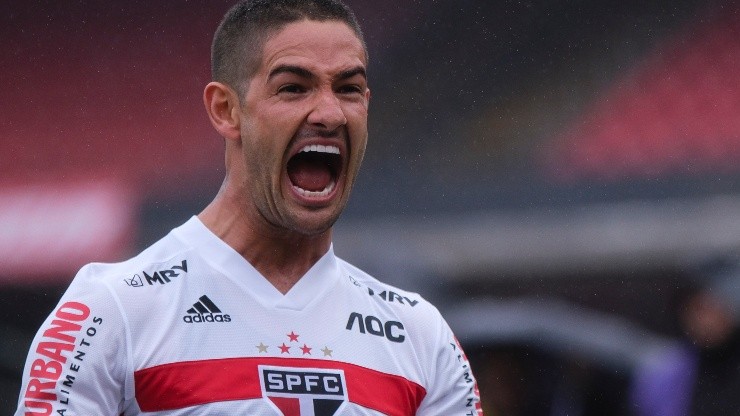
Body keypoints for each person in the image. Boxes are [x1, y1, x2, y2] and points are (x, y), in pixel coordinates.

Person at [14, 1, 483, 415]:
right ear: (225, 110)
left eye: (348, 88)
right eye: (294, 88)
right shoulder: (110, 311)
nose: (329, 113)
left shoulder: (420, 335)